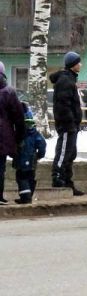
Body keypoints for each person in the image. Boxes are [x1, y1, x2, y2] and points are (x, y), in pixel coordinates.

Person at [50, 51, 84, 196]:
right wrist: (70, 121)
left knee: (70, 152)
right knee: (64, 151)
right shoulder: (65, 80)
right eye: (78, 62)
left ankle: (67, 181)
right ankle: (57, 177)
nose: (80, 65)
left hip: (72, 125)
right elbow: (63, 104)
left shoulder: (70, 79)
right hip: (67, 125)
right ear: (72, 65)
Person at [0, 60, 25, 205]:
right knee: (0, 166)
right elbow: (19, 118)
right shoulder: (9, 92)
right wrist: (19, 138)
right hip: (4, 137)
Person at [12, 103, 46, 205]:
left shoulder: (19, 133)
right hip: (32, 159)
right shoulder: (35, 133)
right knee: (31, 177)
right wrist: (40, 154)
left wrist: (13, 154)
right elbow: (42, 144)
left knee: (21, 177)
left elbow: (14, 144)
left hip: (21, 159)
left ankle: (25, 197)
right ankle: (29, 195)